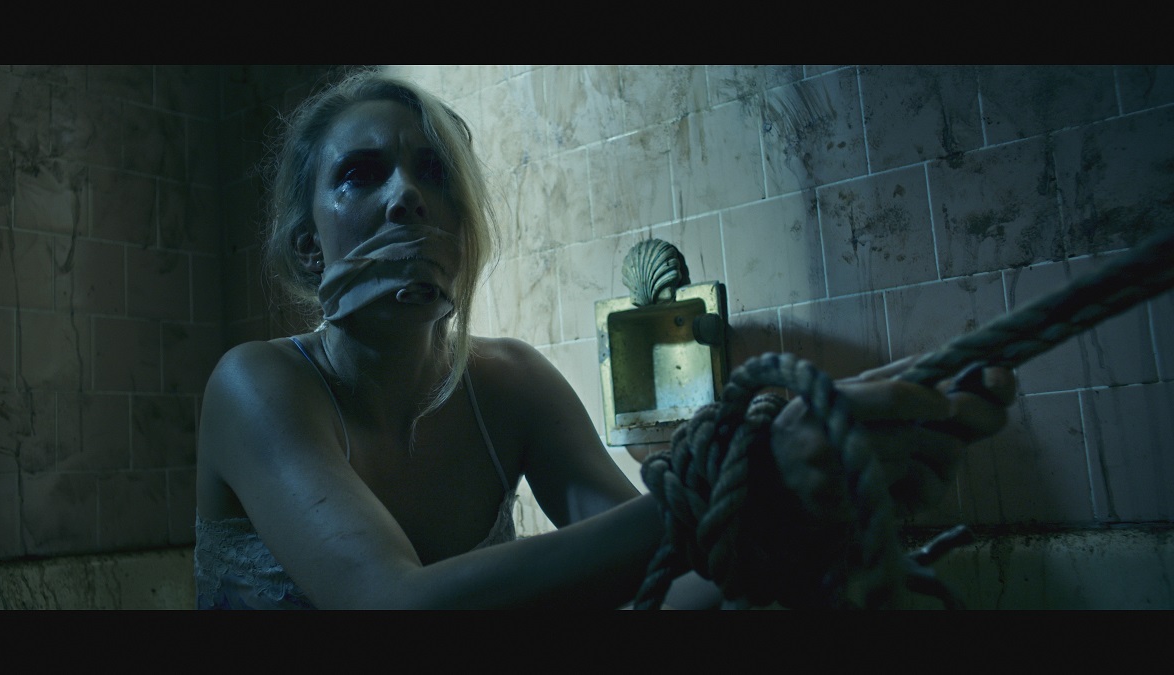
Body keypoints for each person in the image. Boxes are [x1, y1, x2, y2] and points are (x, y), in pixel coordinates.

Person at [193, 69, 1017, 609]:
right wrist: (743, 475)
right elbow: (390, 608)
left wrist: (794, 510)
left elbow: (662, 584)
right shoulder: (256, 385)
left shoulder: (509, 386)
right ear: (309, 247)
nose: (405, 194)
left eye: (432, 171)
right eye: (361, 173)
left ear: (462, 229)